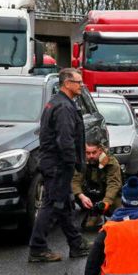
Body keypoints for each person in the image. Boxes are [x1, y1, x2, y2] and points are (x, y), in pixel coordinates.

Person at [29, 69, 90, 262]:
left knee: (64, 205)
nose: (81, 85)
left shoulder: (57, 102)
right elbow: (65, 140)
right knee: (52, 205)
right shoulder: (63, 107)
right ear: (67, 84)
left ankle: (76, 244)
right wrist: (73, 164)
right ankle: (37, 248)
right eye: (78, 82)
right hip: (58, 165)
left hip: (54, 163)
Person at [73, 142, 123, 229]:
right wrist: (81, 196)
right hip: (90, 192)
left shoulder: (110, 161)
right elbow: (75, 181)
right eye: (88, 153)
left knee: (118, 214)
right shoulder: (81, 161)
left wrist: (106, 202)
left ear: (100, 151)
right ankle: (92, 212)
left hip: (106, 192)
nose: (91, 156)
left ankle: (104, 212)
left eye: (94, 152)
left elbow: (114, 184)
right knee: (89, 226)